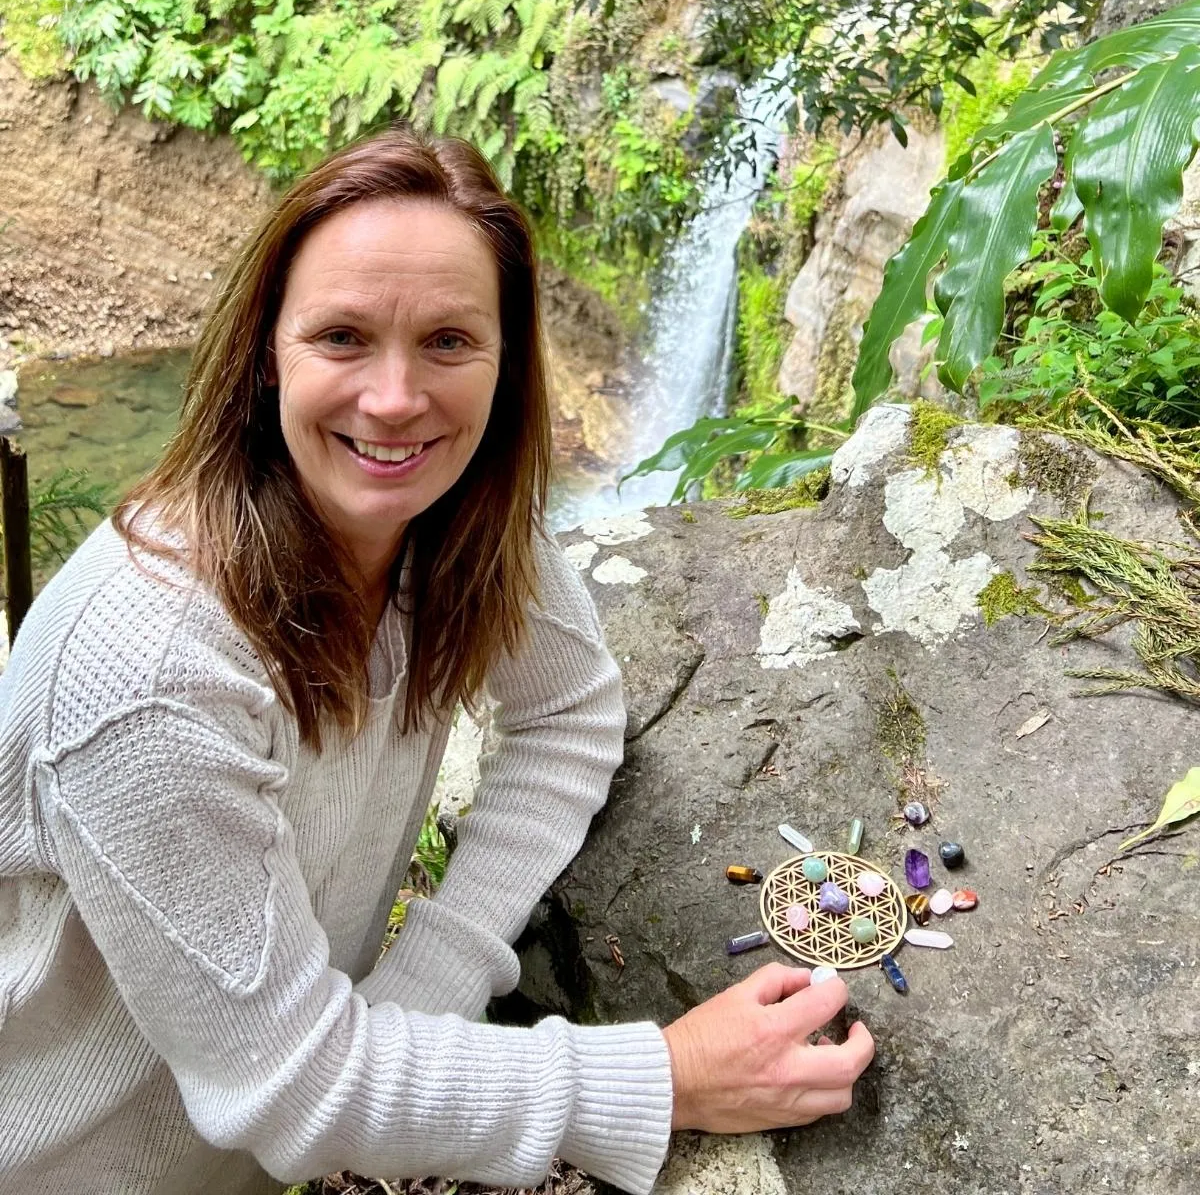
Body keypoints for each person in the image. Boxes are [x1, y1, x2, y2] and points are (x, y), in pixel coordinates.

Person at [0, 126, 874, 1194]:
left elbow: (570, 717)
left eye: (450, 342)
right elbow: (291, 1083)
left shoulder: (453, 515)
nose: (396, 399)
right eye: (343, 337)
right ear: (262, 353)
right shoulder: (152, 670)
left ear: (508, 368)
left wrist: (428, 976)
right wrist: (666, 1074)